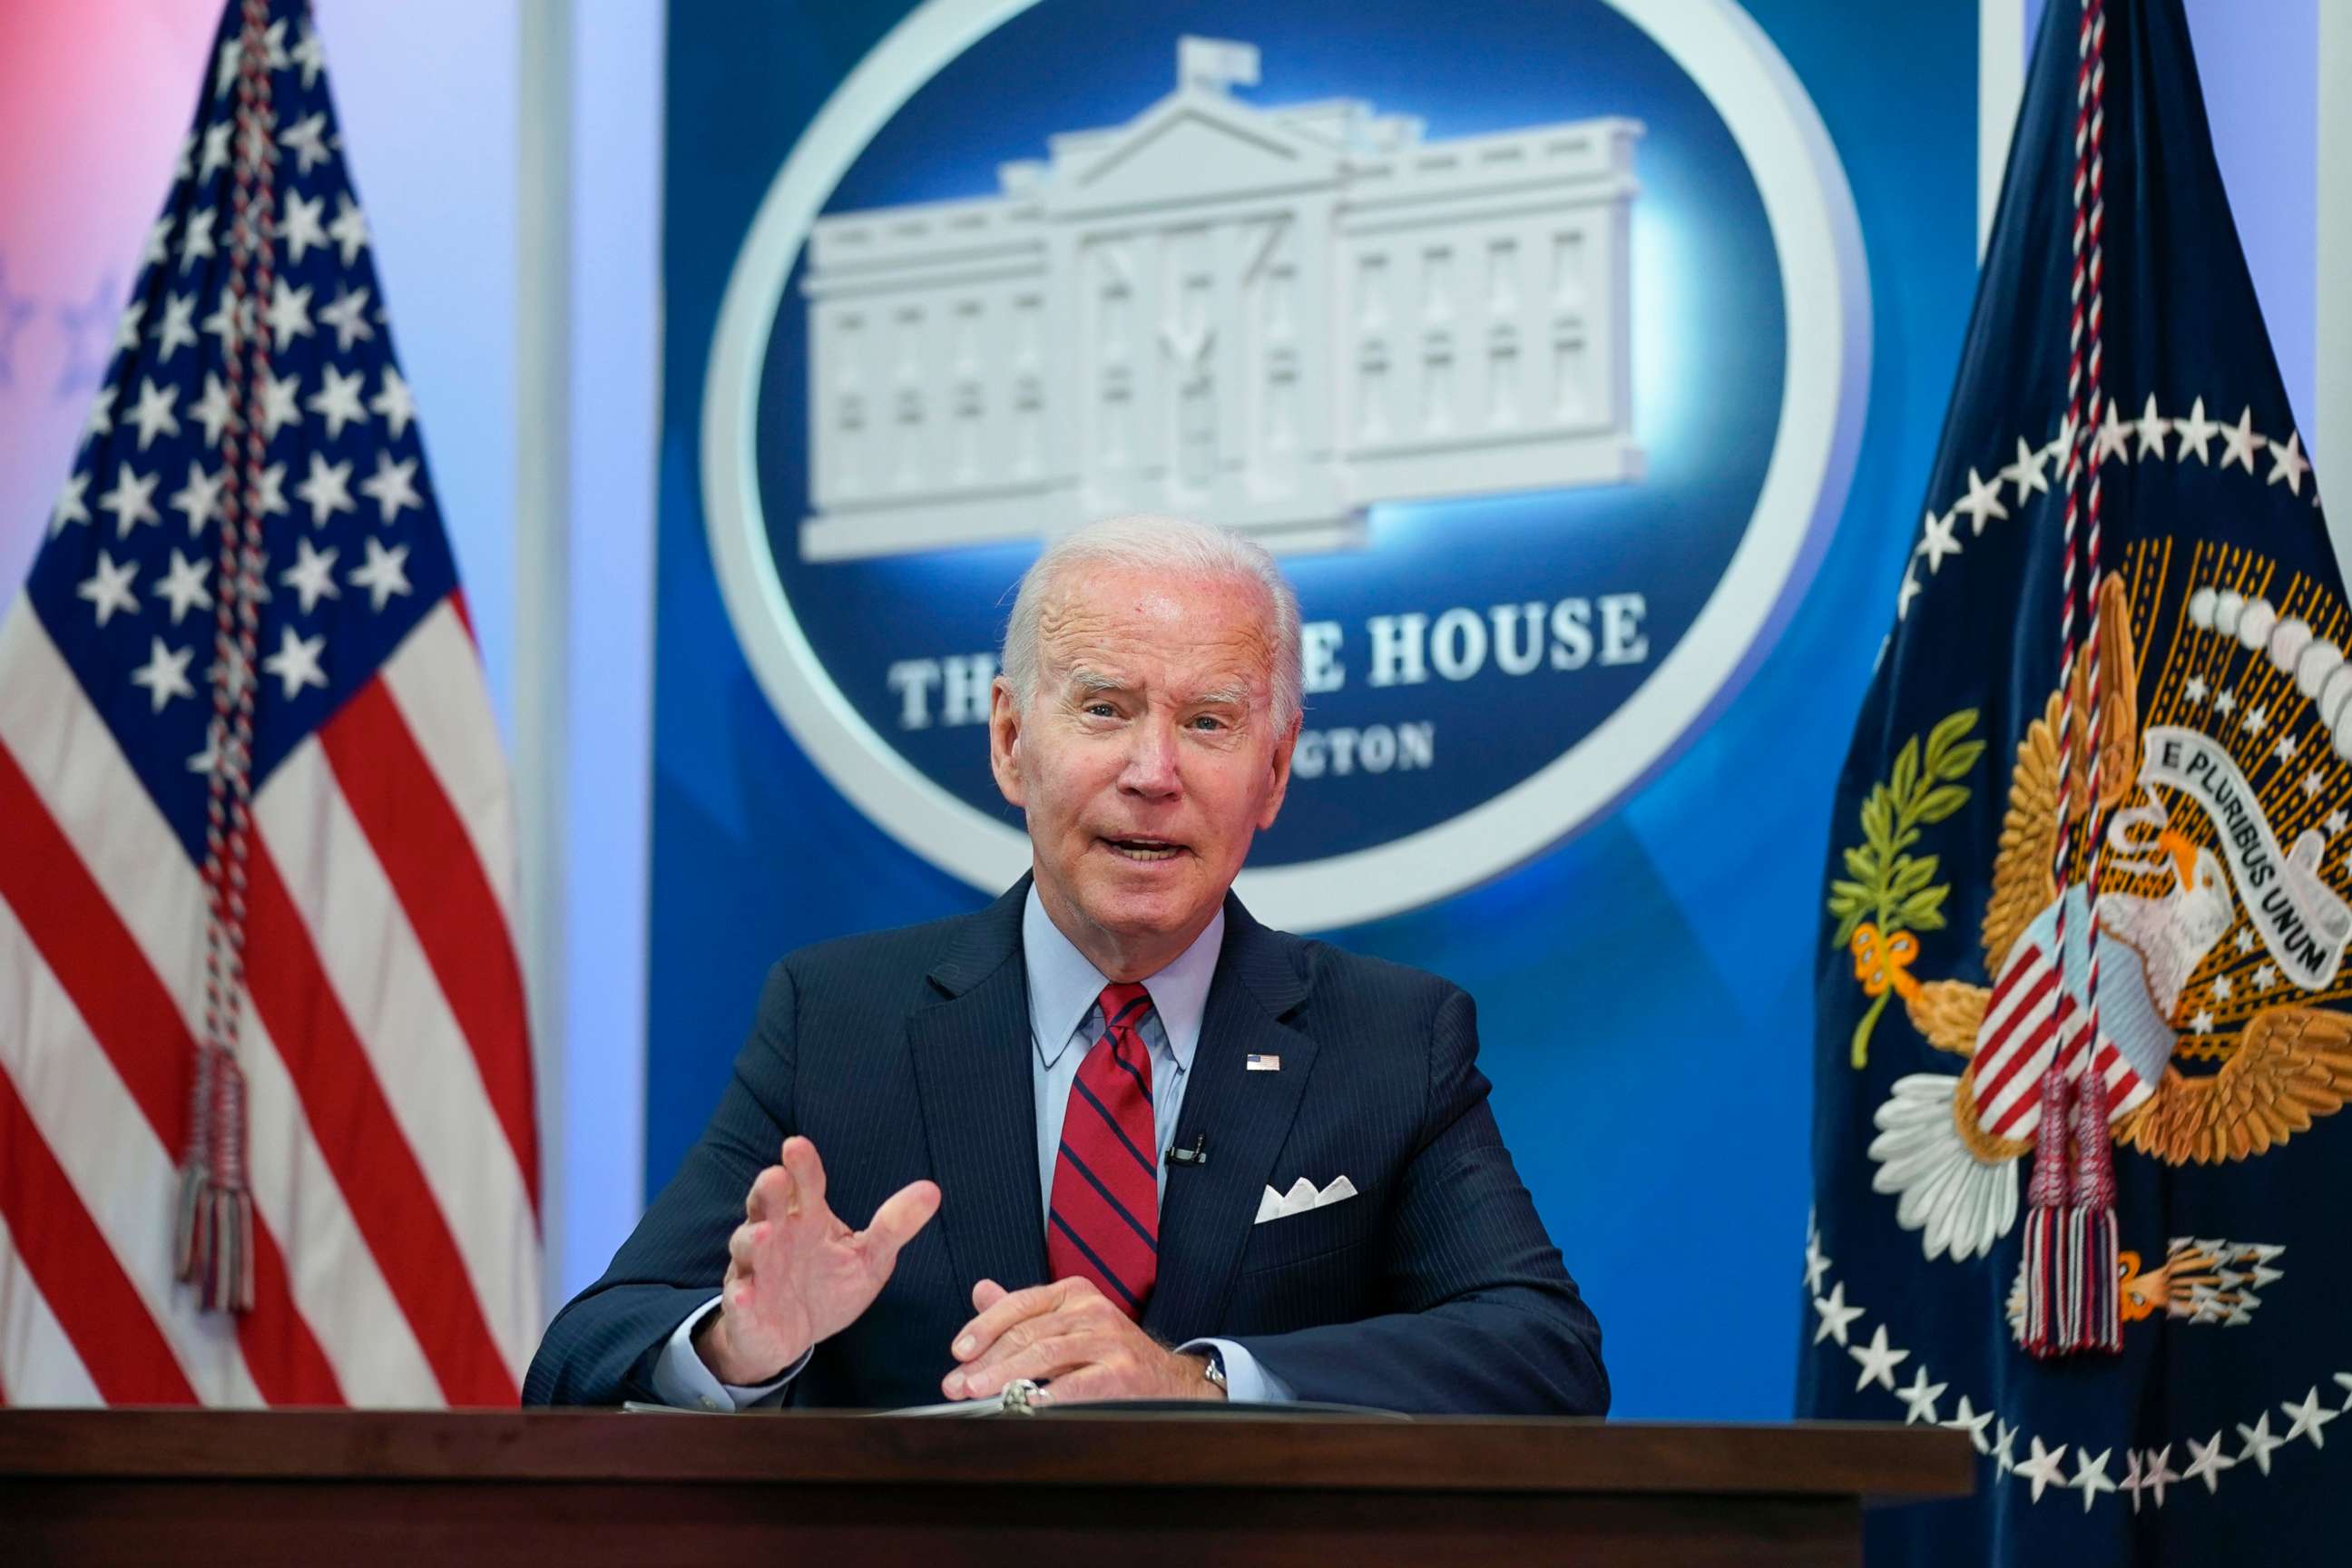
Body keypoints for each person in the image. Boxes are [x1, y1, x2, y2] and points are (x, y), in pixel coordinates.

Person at [523, 515, 1608, 1414]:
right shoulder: (836, 1020)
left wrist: (1202, 1384)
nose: (1153, 773)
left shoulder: (1389, 1041)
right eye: (1104, 709)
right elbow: (580, 1359)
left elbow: (1542, 1355)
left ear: (1273, 774)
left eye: (1209, 722)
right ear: (1008, 741)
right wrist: (742, 1345)